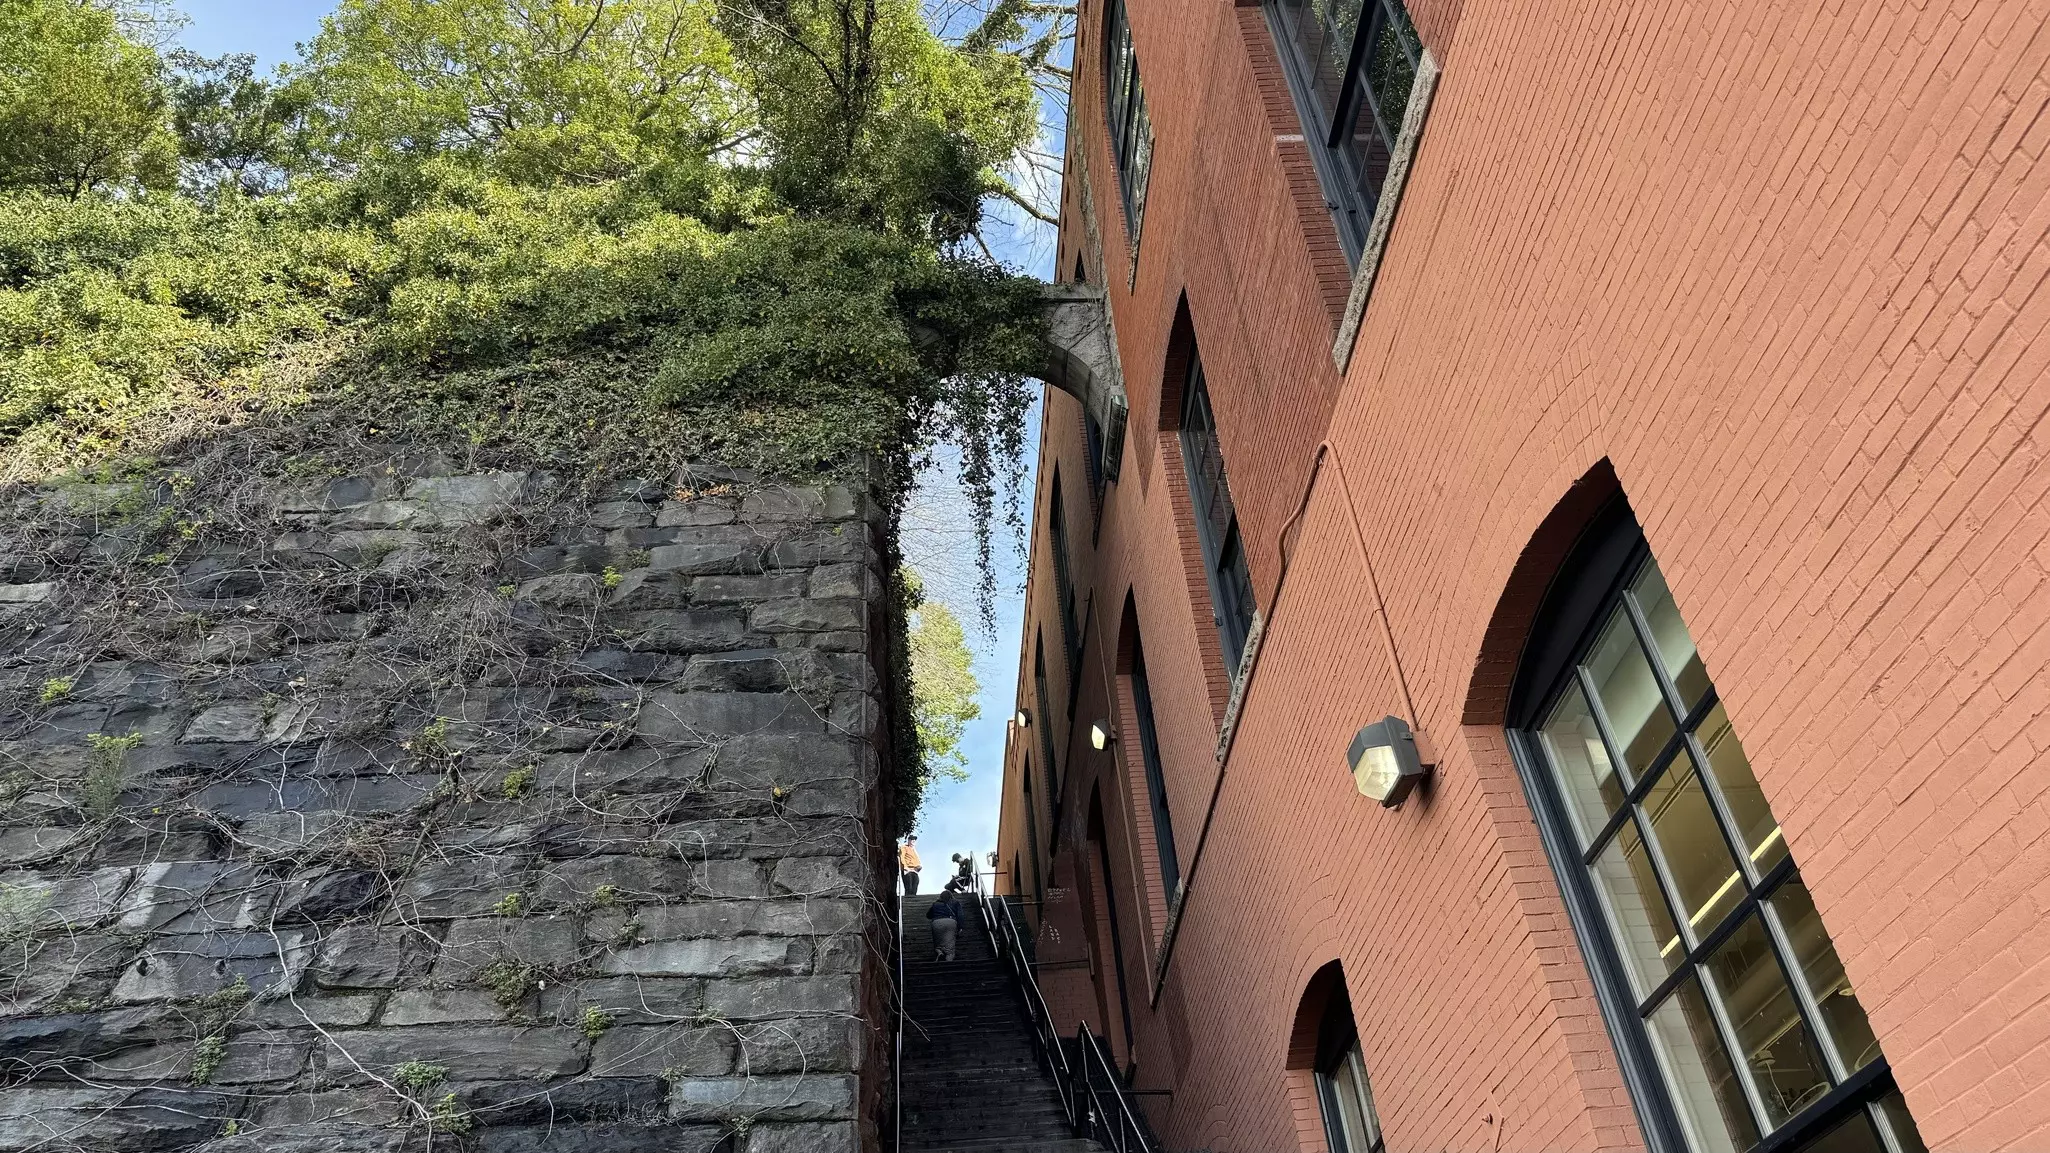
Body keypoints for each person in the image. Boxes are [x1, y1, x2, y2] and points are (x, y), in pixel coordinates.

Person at [927, 886, 964, 961]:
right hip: (950, 922)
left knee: (938, 944)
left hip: (937, 923)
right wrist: (960, 927)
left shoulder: (936, 904)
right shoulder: (955, 902)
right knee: (950, 950)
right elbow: (960, 915)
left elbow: (928, 915)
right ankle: (948, 965)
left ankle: (939, 952)